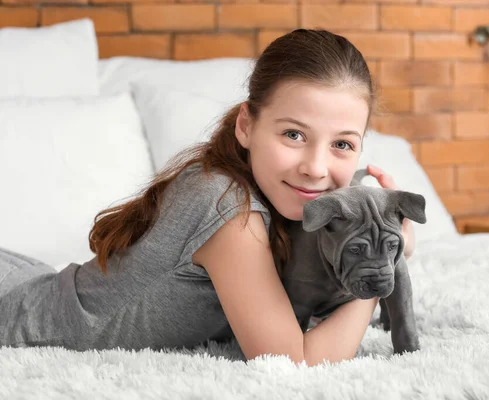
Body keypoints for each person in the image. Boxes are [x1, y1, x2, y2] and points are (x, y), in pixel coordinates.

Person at [0, 29, 415, 366]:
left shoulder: (280, 198)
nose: (316, 167)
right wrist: (383, 260)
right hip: (19, 318)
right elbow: (292, 365)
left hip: (44, 283)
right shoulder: (229, 208)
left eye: (342, 144)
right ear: (246, 126)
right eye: (293, 134)